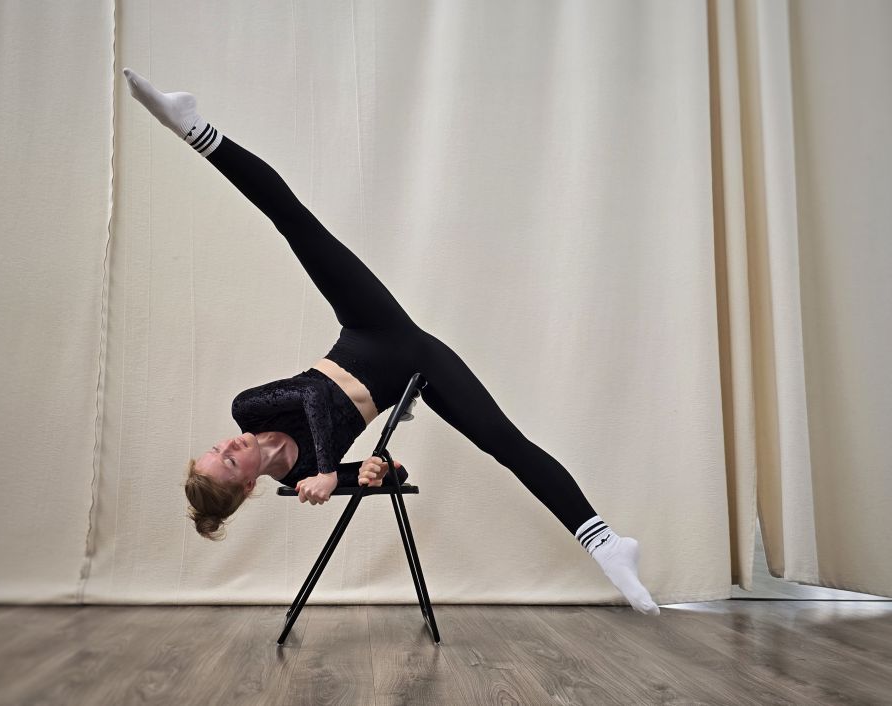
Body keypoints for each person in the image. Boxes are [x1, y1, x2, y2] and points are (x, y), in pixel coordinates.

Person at [123, 68, 660, 616]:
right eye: (229, 463)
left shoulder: (248, 410)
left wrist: (329, 470)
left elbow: (311, 399)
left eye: (217, 449)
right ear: (243, 490)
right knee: (505, 443)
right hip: (416, 371)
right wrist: (375, 472)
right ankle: (607, 545)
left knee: (298, 226)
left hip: (371, 332)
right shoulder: (301, 477)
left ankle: (193, 128)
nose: (229, 447)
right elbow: (390, 476)